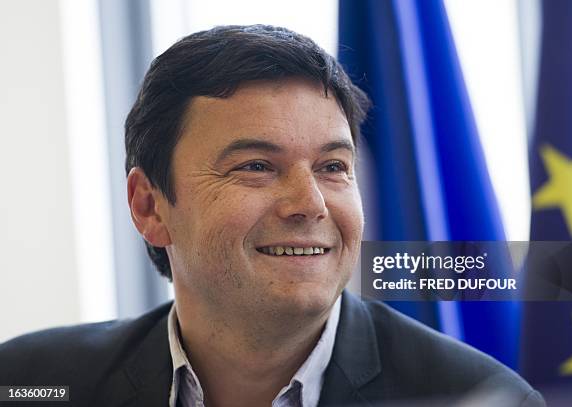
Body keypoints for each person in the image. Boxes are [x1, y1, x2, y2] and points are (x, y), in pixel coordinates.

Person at [0, 25, 544, 407]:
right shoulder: (28, 382)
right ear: (149, 205)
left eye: (333, 166)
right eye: (257, 166)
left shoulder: (477, 398)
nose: (310, 204)